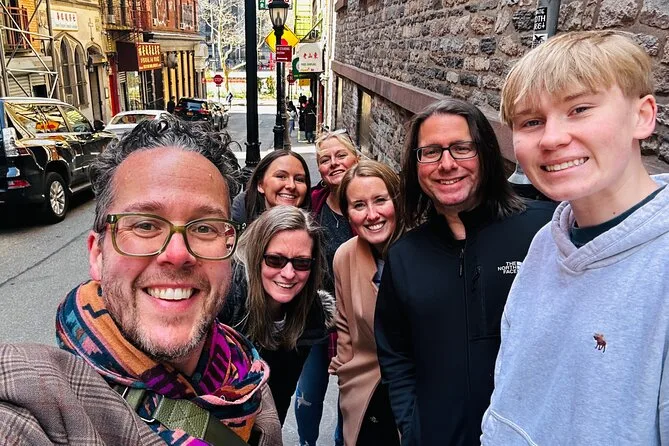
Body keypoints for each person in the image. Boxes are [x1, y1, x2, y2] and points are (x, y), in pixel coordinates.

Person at [0, 117, 282, 445]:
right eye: (145, 225)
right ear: (98, 255)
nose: (177, 254)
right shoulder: (33, 399)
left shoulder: (247, 376)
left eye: (204, 227)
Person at [481, 31, 669, 445]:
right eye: (531, 121)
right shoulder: (546, 244)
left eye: (579, 109)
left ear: (643, 116)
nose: (551, 138)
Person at [374, 98, 555, 445]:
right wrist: (412, 426)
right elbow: (396, 353)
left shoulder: (544, 232)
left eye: (461, 148)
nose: (447, 164)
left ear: (485, 153)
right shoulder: (405, 257)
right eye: (430, 152)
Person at [219, 206, 334, 425]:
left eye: (301, 263)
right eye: (275, 260)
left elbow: (282, 391)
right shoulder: (225, 300)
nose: (289, 273)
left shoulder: (310, 312)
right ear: (256, 256)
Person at [329, 160, 404, 446]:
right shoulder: (345, 257)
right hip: (367, 389)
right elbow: (345, 327)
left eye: (380, 200)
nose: (372, 215)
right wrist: (346, 377)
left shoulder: (424, 250)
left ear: (396, 200)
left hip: (418, 395)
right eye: (359, 205)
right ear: (347, 212)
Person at [295, 128, 360, 446]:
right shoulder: (312, 203)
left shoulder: (369, 204)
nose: (333, 163)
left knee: (351, 400)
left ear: (356, 159)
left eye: (340, 155)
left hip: (358, 322)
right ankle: (306, 442)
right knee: (307, 395)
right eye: (324, 159)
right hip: (314, 316)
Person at [231, 149, 312, 225]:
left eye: (299, 179)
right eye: (281, 176)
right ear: (260, 184)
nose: (291, 185)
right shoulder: (239, 216)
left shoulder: (314, 222)